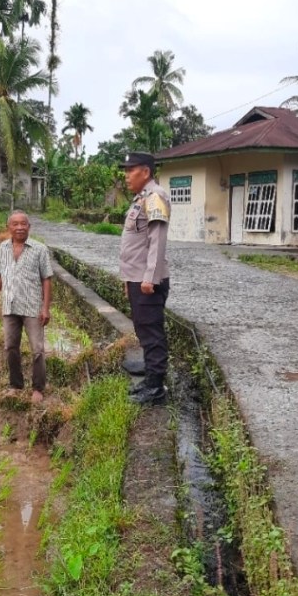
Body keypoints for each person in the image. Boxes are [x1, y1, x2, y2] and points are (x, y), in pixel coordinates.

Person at [118, 151, 171, 406]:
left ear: (146, 172)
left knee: (151, 330)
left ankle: (156, 386)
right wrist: (130, 280)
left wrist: (149, 279)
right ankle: (151, 367)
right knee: (142, 326)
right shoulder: (142, 198)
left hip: (148, 280)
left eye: (131, 170)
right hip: (137, 277)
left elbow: (156, 241)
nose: (127, 175)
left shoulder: (155, 197)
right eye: (126, 170)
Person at [0, 210, 53, 404]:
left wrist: (45, 308)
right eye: (15, 224)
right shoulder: (2, 249)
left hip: (32, 307)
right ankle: (16, 385)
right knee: (10, 347)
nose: (20, 227)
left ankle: (38, 388)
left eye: (23, 224)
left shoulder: (40, 249)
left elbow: (46, 279)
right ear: (9, 228)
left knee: (38, 349)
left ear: (29, 227)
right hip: (10, 306)